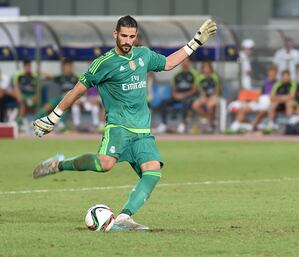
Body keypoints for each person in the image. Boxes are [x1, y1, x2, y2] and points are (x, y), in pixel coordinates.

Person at [32, 15, 217, 231]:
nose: (128, 41)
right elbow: (77, 90)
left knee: (153, 171)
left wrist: (195, 42)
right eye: (124, 36)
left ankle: (123, 217)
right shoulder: (103, 63)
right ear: (115, 35)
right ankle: (59, 164)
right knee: (105, 165)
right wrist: (53, 116)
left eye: (132, 36)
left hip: (142, 130)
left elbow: (168, 63)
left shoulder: (143, 55)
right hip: (118, 127)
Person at [229, 64, 277, 132]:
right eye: (270, 73)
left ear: (275, 74)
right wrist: (257, 98)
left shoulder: (277, 84)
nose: (271, 75)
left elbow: (275, 96)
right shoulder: (266, 83)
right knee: (243, 108)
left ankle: (253, 126)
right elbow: (261, 92)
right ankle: (235, 126)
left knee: (263, 111)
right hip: (260, 102)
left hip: (268, 104)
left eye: (273, 74)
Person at [156, 57, 198, 134]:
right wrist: (176, 95)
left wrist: (184, 95)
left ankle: (182, 123)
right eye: (183, 62)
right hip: (178, 96)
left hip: (189, 96)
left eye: (186, 62)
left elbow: (194, 90)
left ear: (189, 63)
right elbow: (173, 88)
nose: (185, 63)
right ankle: (163, 124)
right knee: (163, 102)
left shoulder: (194, 74)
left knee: (187, 101)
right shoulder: (177, 75)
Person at [34, 59, 79, 130]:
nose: (68, 68)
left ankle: (61, 124)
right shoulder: (61, 77)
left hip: (71, 99)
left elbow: (81, 89)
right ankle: (35, 120)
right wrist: (41, 71)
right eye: (66, 66)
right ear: (64, 67)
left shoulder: (75, 78)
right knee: (51, 103)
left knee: (65, 104)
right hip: (61, 98)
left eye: (69, 66)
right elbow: (50, 77)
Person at [192, 61, 220, 132]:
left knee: (210, 105)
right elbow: (197, 88)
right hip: (204, 96)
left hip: (212, 96)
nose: (206, 69)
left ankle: (211, 124)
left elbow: (217, 89)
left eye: (208, 67)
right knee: (195, 105)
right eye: (205, 67)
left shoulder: (214, 76)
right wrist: (202, 93)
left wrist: (213, 95)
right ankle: (206, 117)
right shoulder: (200, 77)